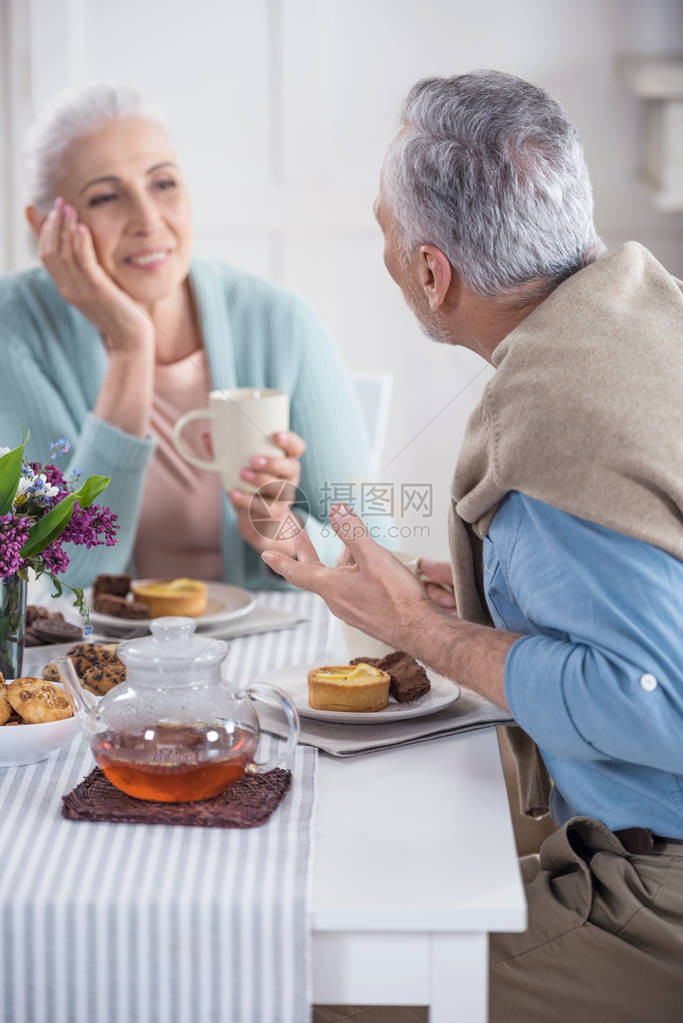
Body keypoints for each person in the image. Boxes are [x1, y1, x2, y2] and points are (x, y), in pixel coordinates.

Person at [264, 71, 683, 1022]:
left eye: (382, 227)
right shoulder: (648, 317)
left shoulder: (561, 419)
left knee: (307, 986)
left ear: (428, 269)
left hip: (656, 892)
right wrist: (479, 611)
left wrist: (412, 624)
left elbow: (660, 709)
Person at [0, 83, 375, 589]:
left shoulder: (279, 322)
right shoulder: (14, 329)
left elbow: (379, 553)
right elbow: (60, 576)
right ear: (46, 224)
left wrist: (277, 535)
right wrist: (132, 346)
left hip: (264, 651)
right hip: (91, 660)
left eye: (163, 184)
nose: (149, 220)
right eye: (107, 196)